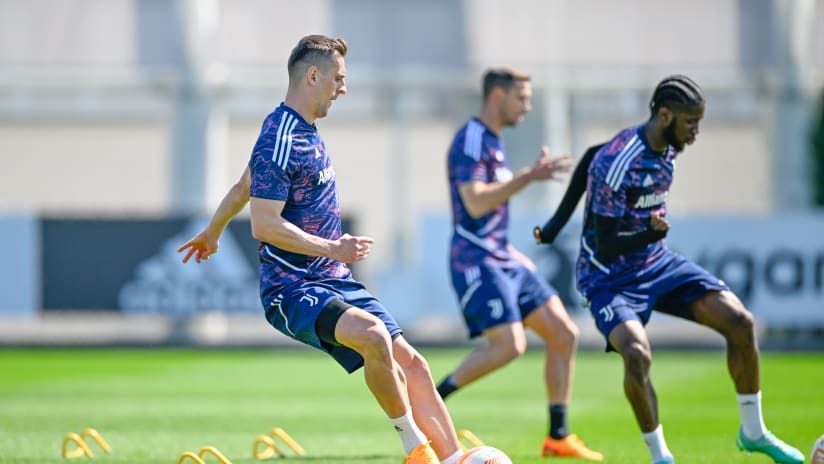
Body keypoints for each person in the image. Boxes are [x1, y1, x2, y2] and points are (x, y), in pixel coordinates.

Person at [177, 35, 465, 464]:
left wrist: (213, 231)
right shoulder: (279, 137)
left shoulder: (302, 132)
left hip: (332, 279)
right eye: (339, 78)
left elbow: (243, 186)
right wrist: (333, 247)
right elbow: (264, 224)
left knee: (416, 365)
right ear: (313, 75)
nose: (343, 88)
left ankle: (455, 458)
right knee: (373, 337)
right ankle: (415, 449)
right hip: (290, 290)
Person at [535, 74, 804, 464]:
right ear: (665, 115)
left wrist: (555, 225)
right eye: (690, 122)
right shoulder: (620, 161)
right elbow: (608, 244)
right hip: (608, 278)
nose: (696, 132)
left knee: (740, 323)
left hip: (657, 264)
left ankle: (754, 432)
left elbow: (591, 153)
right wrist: (647, 232)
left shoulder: (666, 145)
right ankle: (662, 458)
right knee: (637, 354)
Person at [437, 67, 603, 461]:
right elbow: (476, 201)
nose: (526, 107)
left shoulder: (493, 141)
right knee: (510, 345)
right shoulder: (471, 139)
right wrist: (529, 177)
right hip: (476, 260)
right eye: (521, 98)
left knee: (564, 332)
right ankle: (433, 397)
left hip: (503, 257)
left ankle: (557, 438)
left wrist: (510, 249)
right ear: (497, 96)